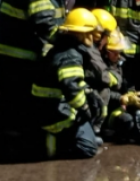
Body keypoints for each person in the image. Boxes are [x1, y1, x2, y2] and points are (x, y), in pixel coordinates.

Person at [0, 0, 78, 134]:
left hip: (11, 53)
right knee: (18, 102)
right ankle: (11, 146)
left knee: (8, 101)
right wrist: (70, 42)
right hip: (20, 56)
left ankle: (2, 141)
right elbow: (45, 24)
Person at [29, 8, 100, 160]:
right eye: (90, 32)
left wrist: (88, 93)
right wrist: (86, 110)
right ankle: (52, 143)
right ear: (82, 33)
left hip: (48, 108)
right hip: (53, 113)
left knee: (90, 135)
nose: (93, 37)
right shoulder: (70, 56)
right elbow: (72, 90)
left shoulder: (64, 48)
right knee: (87, 148)